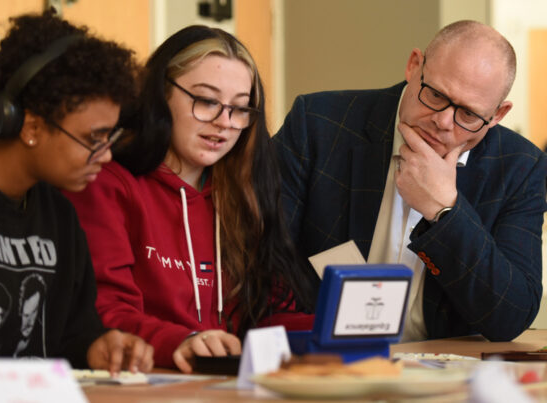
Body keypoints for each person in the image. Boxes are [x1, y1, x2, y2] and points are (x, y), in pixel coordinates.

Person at [65, 25, 319, 372]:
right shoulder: (107, 182)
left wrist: (333, 330)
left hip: (222, 384)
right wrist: (182, 342)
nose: (224, 122)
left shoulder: (240, 193)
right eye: (206, 101)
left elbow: (266, 312)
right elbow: (106, 312)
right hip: (146, 381)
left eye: (240, 108)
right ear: (160, 95)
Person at [273, 20, 547, 342]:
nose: (443, 122)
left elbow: (510, 316)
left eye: (469, 115)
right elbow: (260, 259)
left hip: (447, 373)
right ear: (414, 65)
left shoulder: (519, 167)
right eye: (435, 94)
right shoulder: (318, 125)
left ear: (497, 115)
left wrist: (445, 212)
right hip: (326, 361)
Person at [0, 10, 153, 374]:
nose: (105, 156)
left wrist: (97, 347)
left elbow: (72, 335)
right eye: (93, 138)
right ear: (31, 127)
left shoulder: (61, 216)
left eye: (110, 138)